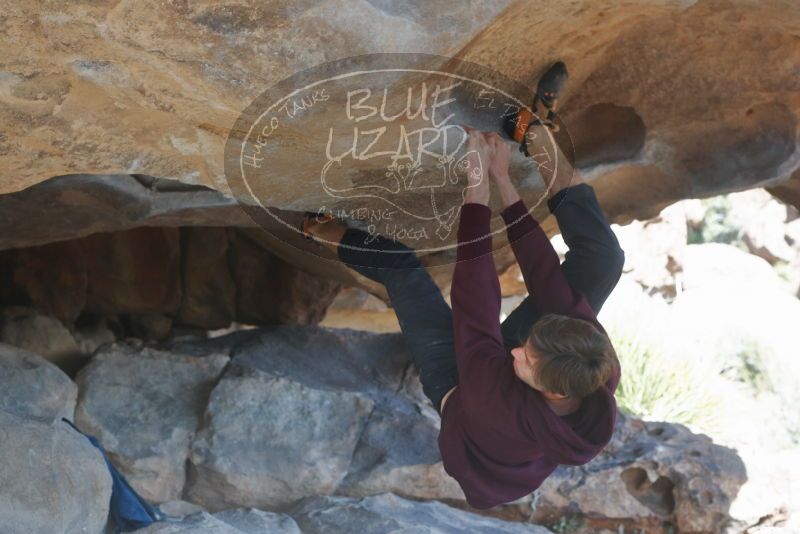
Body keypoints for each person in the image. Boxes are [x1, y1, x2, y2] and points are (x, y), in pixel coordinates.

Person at [302, 110, 625, 510]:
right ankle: (534, 132)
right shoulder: (591, 360)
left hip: (458, 382)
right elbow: (545, 277)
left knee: (401, 267)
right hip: (510, 385)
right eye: (529, 345)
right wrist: (504, 181)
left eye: (527, 358)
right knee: (603, 260)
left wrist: (477, 183)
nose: (515, 348)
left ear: (553, 391)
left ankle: (316, 228)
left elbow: (475, 299)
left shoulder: (495, 400)